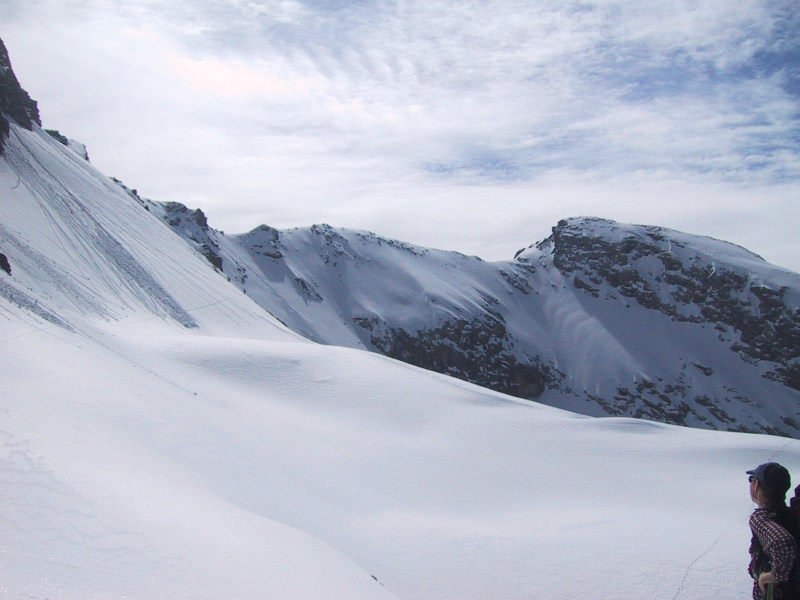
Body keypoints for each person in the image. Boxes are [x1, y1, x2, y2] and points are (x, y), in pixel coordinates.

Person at [748, 462, 799, 599]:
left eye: (751, 480)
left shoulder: (761, 518)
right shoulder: (789, 514)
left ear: (756, 485)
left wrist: (773, 576)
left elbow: (784, 543)